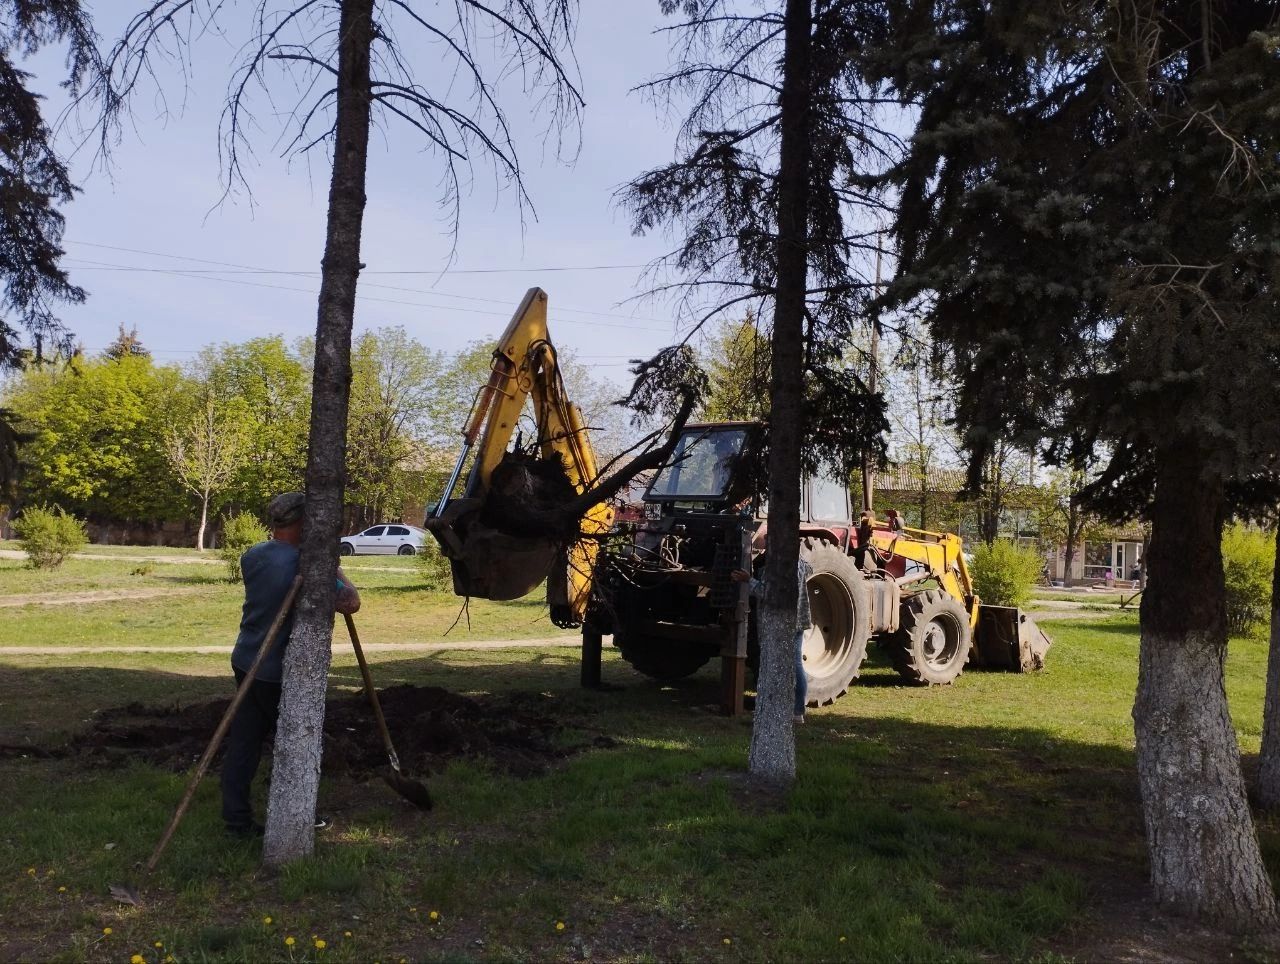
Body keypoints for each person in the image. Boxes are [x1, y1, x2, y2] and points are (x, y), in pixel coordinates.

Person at [221, 491, 361, 838]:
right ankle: (297, 815)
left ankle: (235, 820)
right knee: (293, 742)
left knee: (244, 741)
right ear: (305, 522)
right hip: (274, 669)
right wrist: (334, 565)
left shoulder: (252, 555)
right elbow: (352, 603)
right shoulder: (305, 568)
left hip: (245, 659)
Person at [731, 558, 813, 724]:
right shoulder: (798, 562)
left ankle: (797, 711)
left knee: (793, 664)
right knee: (784, 664)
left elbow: (773, 594)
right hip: (789, 621)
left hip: (789, 623)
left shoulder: (786, 564)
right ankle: (781, 708)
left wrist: (749, 580)